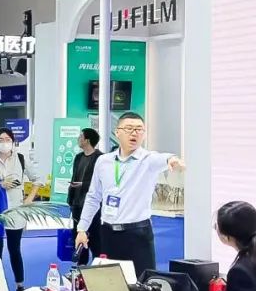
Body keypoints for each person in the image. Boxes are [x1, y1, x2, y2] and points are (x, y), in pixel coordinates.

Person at [76, 112, 185, 275]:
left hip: (138, 233)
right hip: (107, 232)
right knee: (111, 282)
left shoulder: (148, 160)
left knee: (143, 282)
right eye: (129, 128)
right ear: (117, 132)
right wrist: (82, 229)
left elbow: (164, 158)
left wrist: (172, 160)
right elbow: (93, 197)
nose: (134, 133)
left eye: (139, 129)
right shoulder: (103, 161)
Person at [0, 127, 45, 291]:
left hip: (16, 211)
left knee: (14, 249)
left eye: (7, 139)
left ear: (13, 141)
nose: (4, 143)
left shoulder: (21, 159)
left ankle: (19, 284)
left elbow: (38, 179)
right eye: (1, 140)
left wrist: (30, 198)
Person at [68, 128, 103, 264]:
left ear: (87, 140)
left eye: (80, 136)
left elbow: (100, 182)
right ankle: (80, 266)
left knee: (95, 239)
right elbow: (74, 177)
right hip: (77, 203)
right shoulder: (78, 157)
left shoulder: (100, 158)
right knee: (78, 237)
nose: (78, 139)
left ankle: (98, 265)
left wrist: (83, 184)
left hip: (93, 205)